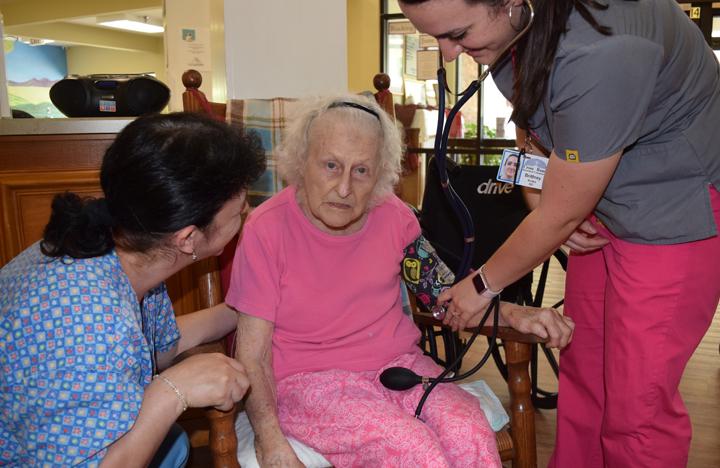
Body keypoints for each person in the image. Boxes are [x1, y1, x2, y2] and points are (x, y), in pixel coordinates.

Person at [399, 0, 720, 466]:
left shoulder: (602, 52)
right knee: (584, 375)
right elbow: (532, 132)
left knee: (637, 407)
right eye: (436, 39)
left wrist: (485, 283)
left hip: (673, 209)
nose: (449, 55)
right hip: (601, 201)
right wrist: (542, 201)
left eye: (458, 35)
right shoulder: (514, 29)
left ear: (510, 3)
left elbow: (560, 215)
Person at [227, 94, 574, 467]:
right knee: (410, 447)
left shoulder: (394, 217)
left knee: (467, 429)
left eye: (361, 171)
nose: (344, 188)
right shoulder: (267, 229)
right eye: (331, 165)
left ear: (380, 174)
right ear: (301, 163)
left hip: (398, 369)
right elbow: (253, 354)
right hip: (308, 383)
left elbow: (444, 296)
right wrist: (270, 441)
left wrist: (512, 313)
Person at [0, 112, 266, 467]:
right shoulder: (89, 321)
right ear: (188, 238)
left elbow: (156, 348)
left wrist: (243, 308)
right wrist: (174, 390)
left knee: (171, 443)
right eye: (238, 211)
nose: (246, 213)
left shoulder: (120, 247)